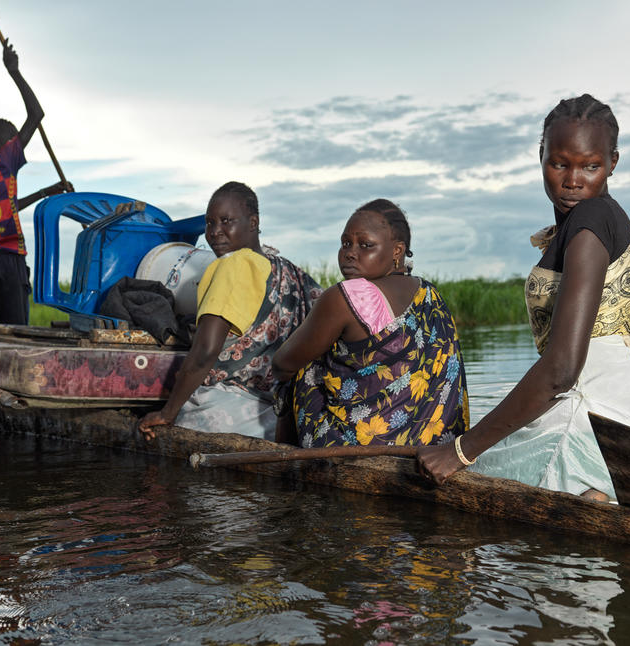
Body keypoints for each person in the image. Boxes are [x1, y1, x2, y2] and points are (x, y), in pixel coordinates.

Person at [417, 94, 630, 499]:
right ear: (540, 155)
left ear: (613, 162)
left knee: (482, 480)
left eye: (590, 166)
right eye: (559, 163)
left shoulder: (589, 221)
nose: (573, 180)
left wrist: (462, 450)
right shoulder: (596, 219)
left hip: (600, 405)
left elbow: (562, 368)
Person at [272, 199, 469, 448]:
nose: (350, 253)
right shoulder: (430, 294)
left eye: (365, 245)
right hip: (434, 448)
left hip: (353, 448)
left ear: (397, 251)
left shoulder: (346, 295)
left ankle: (287, 460)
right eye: (345, 243)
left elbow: (281, 365)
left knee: (305, 365)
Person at [137, 181, 322, 440]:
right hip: (277, 417)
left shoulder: (232, 265)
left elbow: (205, 352)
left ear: (253, 223)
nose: (215, 232)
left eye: (227, 221)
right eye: (210, 223)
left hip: (223, 413)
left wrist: (167, 412)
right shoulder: (289, 272)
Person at [0, 40, 65, 326]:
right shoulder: (4, 161)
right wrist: (14, 71)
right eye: (11, 138)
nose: (15, 142)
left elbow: (6, 207)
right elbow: (36, 115)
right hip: (8, 258)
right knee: (14, 330)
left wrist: (47, 191)